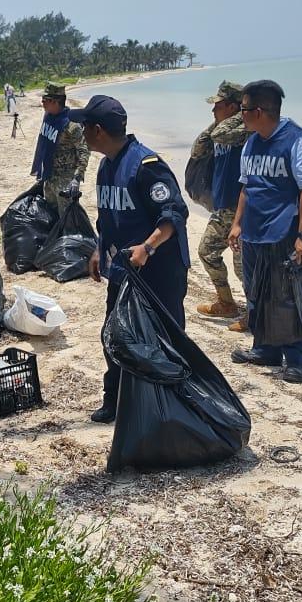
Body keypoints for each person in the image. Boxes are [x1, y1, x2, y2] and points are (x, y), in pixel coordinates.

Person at [71, 95, 190, 423]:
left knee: (165, 339)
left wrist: (147, 248)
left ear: (97, 130)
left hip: (159, 271)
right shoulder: (107, 165)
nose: (81, 132)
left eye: (84, 127)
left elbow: (174, 213)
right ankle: (117, 398)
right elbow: (108, 218)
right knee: (116, 332)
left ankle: (172, 403)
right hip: (124, 272)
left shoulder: (145, 166)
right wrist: (98, 249)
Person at [228, 79, 302, 384]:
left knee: (288, 297)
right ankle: (265, 349)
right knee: (256, 293)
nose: (239, 115)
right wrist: (237, 224)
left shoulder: (299, 142)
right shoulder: (252, 141)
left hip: (283, 234)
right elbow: (247, 187)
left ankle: (297, 359)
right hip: (253, 232)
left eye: (242, 109)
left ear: (259, 110)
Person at [190, 81, 250, 327]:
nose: (213, 110)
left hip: (244, 209)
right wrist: (218, 120)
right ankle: (226, 302)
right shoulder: (220, 128)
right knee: (207, 252)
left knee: (243, 267)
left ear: (234, 106)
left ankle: (255, 314)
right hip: (223, 207)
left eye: (218, 105)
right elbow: (197, 150)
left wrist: (233, 117)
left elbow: (220, 134)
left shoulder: (246, 129)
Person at [30, 83, 91, 216]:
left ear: (56, 102)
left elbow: (84, 150)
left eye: (45, 101)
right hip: (49, 176)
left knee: (67, 218)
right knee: (51, 216)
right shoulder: (49, 117)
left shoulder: (71, 124)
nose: (43, 104)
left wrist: (77, 178)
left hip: (65, 180)